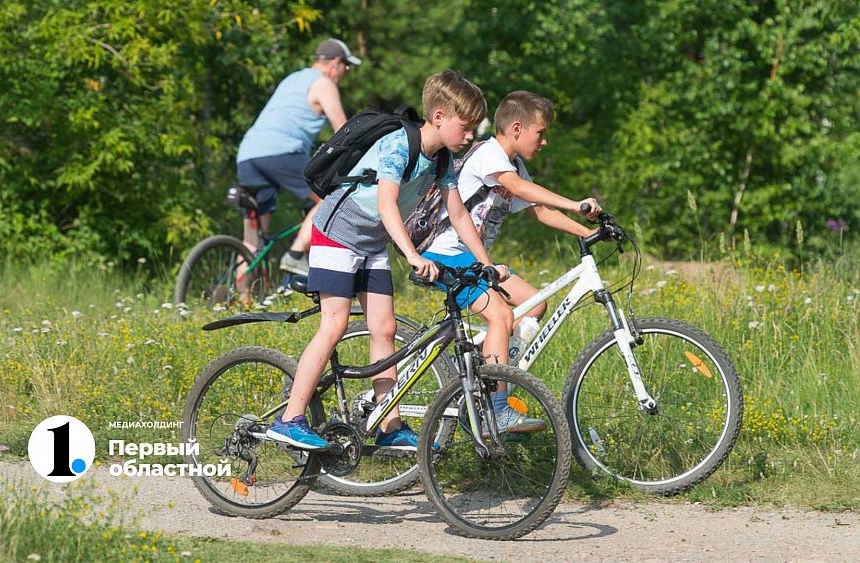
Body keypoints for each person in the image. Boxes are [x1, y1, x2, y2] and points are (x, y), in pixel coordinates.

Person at [266, 70, 503, 450]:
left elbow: (457, 214)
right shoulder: (399, 144)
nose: (471, 134)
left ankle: (387, 424)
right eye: (467, 125)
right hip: (337, 232)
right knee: (335, 323)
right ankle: (289, 418)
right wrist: (411, 255)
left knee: (384, 327)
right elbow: (385, 202)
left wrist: (487, 263)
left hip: (372, 241)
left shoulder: (441, 160)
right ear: (439, 117)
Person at [420, 90, 602, 432]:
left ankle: (484, 367)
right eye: (541, 132)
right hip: (445, 251)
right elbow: (518, 188)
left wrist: (587, 232)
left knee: (534, 306)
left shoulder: (513, 164)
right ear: (517, 128)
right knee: (501, 314)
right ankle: (495, 408)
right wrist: (576, 203)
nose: (545, 141)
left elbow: (540, 211)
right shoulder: (490, 154)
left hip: (473, 257)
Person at [235, 38, 359, 278]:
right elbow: (344, 132)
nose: (345, 73)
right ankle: (295, 255)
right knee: (330, 197)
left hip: (248, 154)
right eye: (347, 67)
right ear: (335, 63)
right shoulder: (324, 83)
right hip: (280, 152)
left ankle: (239, 297)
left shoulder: (292, 79)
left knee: (252, 235)